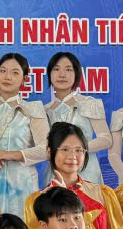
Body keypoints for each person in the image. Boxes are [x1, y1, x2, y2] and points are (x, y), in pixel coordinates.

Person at [25, 122, 123, 229]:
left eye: (79, 150)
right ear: (50, 152)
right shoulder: (38, 200)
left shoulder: (102, 193)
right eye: (65, 149)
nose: (72, 156)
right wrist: (60, 197)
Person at [0, 52, 50, 219]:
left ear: (25, 79)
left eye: (15, 72)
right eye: (3, 71)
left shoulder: (33, 109)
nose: (7, 77)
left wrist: (7, 154)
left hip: (21, 184)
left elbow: (45, 150)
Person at [45, 51, 109, 184]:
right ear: (50, 74)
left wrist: (77, 150)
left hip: (87, 171)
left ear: (77, 74)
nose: (62, 74)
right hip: (56, 173)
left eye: (68, 69)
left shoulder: (89, 103)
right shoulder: (45, 110)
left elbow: (106, 139)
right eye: (56, 69)